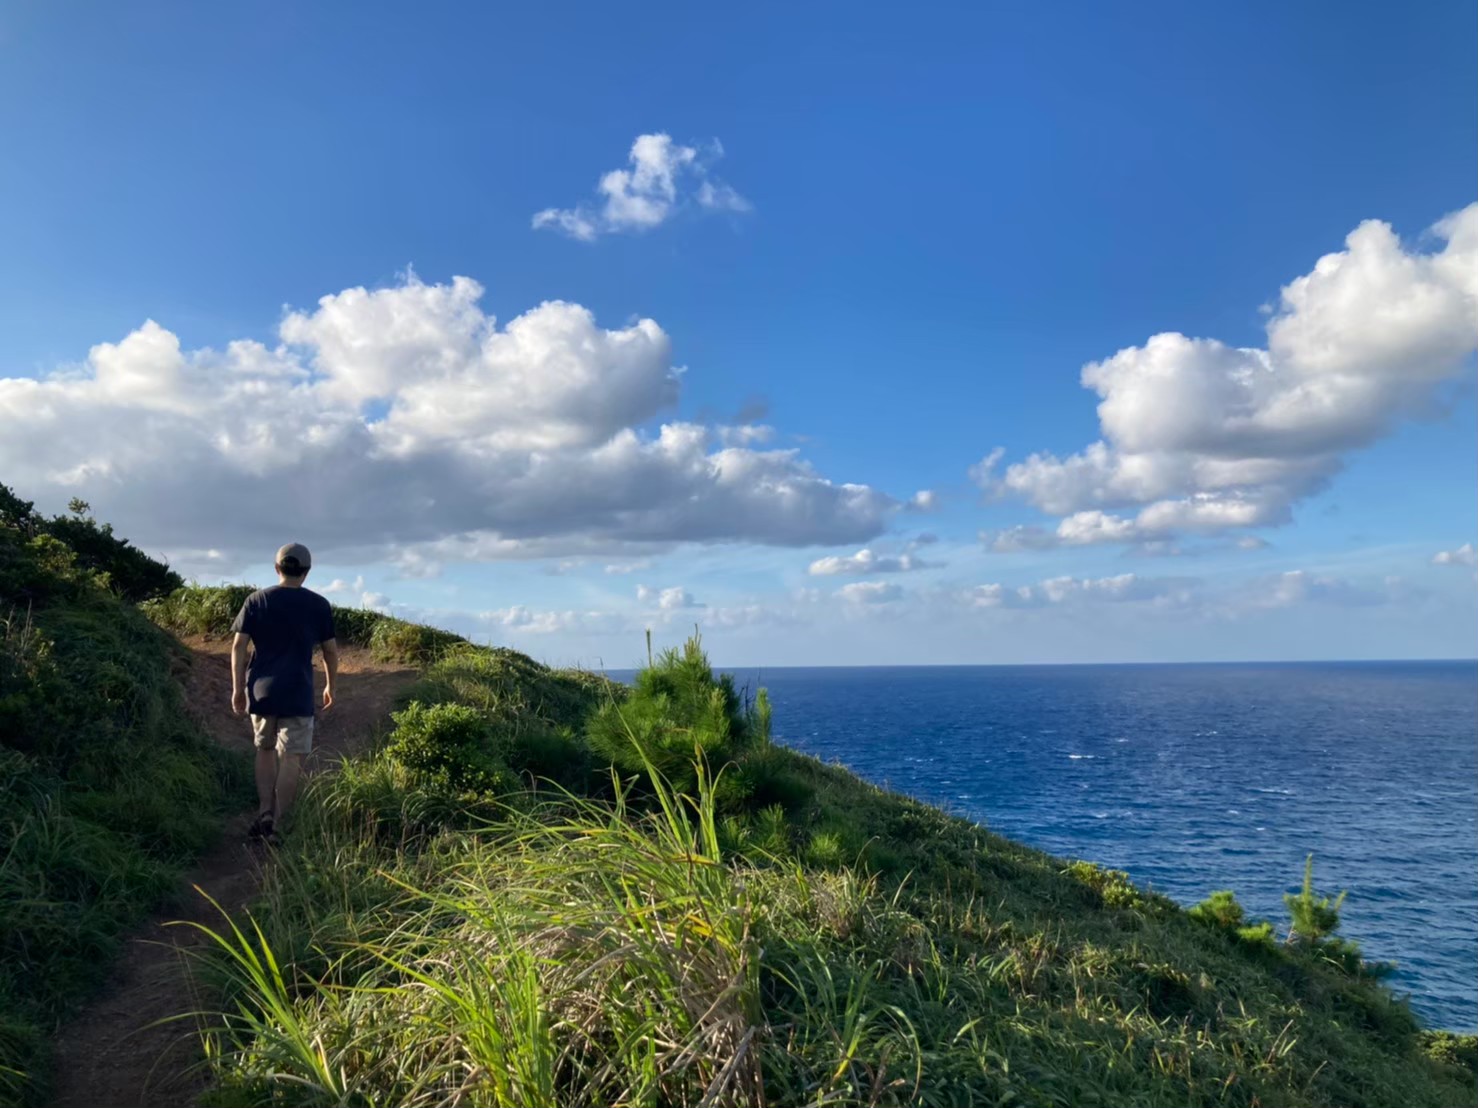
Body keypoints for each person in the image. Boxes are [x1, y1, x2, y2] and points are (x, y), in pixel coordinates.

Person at [229, 542, 338, 842]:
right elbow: (330, 651)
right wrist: (331, 684)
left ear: (277, 568)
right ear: (307, 572)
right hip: (298, 690)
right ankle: (277, 825)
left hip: (262, 690)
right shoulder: (319, 605)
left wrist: (238, 688)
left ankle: (264, 811)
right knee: (292, 758)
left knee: (264, 749)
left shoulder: (256, 600)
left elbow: (239, 647)